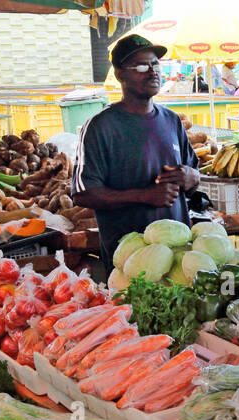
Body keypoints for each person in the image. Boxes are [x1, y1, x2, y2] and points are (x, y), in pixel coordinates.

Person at [72, 35, 201, 268]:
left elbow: (193, 174)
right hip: (129, 261)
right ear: (120, 74)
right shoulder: (101, 127)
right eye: (141, 66)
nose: (152, 72)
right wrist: (144, 195)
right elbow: (83, 193)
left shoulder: (171, 121)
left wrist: (192, 177)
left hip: (177, 256)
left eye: (155, 64)